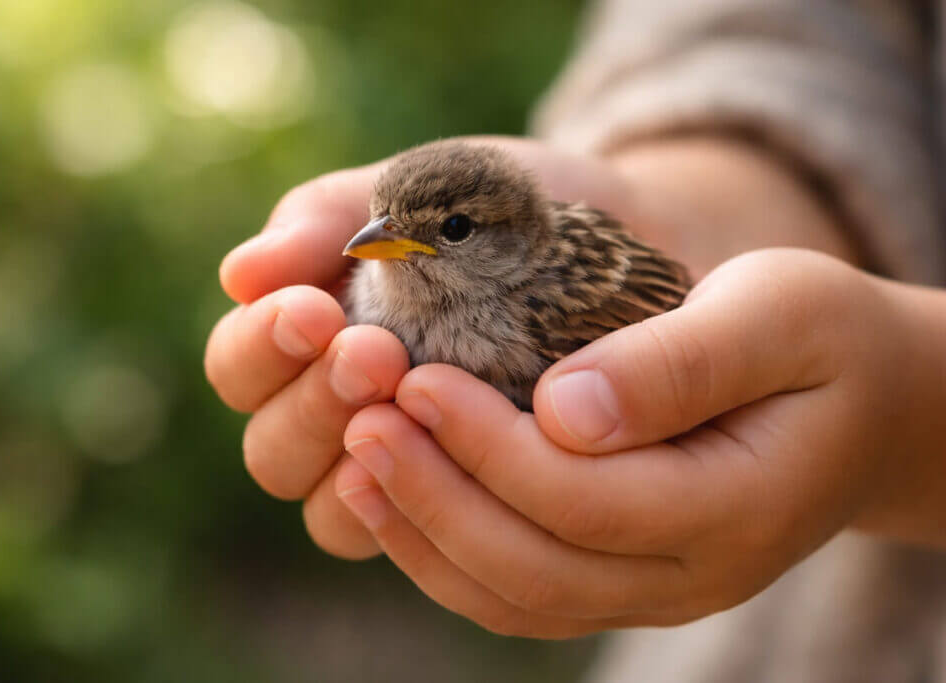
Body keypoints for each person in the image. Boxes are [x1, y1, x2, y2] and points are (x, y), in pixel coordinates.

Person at [205, 1, 946, 680]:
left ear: (510, 237)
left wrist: (899, 414)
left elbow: (673, 300)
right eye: (385, 227)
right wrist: (721, 169)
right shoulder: (372, 283)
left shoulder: (552, 294)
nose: (381, 247)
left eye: (452, 231)